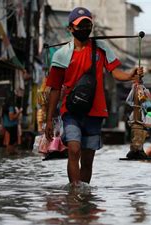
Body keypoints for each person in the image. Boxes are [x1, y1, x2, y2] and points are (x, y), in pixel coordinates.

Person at [45, 7, 143, 185]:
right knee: (74, 150)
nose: (84, 29)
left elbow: (115, 72)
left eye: (87, 25)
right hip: (71, 111)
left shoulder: (101, 49)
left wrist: (131, 75)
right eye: (80, 26)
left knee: (88, 160)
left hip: (95, 112)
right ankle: (75, 193)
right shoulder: (61, 55)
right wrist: (49, 119)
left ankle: (83, 196)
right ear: (70, 29)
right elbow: (54, 89)